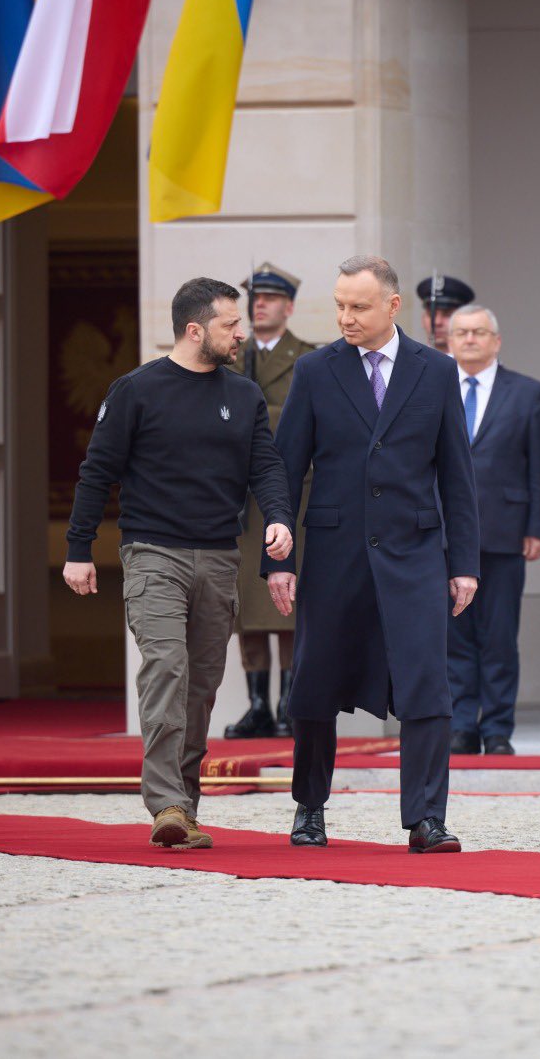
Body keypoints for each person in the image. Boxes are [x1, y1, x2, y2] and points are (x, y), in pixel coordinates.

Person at [64, 278, 294, 849]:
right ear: (195, 330)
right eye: (230, 325)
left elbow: (266, 466)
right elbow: (97, 472)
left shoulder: (243, 395)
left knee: (201, 686)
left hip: (219, 558)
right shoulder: (135, 390)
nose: (241, 334)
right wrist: (78, 549)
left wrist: (279, 518)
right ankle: (166, 802)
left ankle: (183, 806)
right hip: (153, 555)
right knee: (166, 667)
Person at [265, 255, 479, 853]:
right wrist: (277, 560)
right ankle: (309, 808)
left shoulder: (437, 371)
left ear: (392, 306)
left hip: (415, 554)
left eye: (358, 306)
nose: (345, 317)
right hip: (333, 556)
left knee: (427, 684)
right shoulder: (315, 370)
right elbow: (285, 470)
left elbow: (457, 475)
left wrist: (464, 564)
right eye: (339, 305)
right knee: (314, 686)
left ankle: (426, 819)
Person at [445, 304, 540, 755]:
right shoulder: (432, 387)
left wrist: (539, 527)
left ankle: (496, 729)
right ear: (449, 341)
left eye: (479, 332)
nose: (470, 339)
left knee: (499, 636)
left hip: (506, 532)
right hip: (446, 535)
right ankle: (461, 726)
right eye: (462, 332)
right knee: (453, 636)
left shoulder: (527, 392)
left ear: (496, 340)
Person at [223, 263, 319, 740]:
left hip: (291, 492)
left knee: (287, 602)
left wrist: (254, 413)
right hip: (240, 495)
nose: (260, 305)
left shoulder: (307, 358)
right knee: (247, 606)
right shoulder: (231, 357)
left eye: (271, 298)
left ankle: (289, 703)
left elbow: (307, 417)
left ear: (289, 307)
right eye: (256, 298)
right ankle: (259, 704)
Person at [416, 274, 475, 353]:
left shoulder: (477, 360)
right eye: (431, 314)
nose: (437, 322)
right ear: (423, 319)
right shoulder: (408, 359)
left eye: (447, 314)